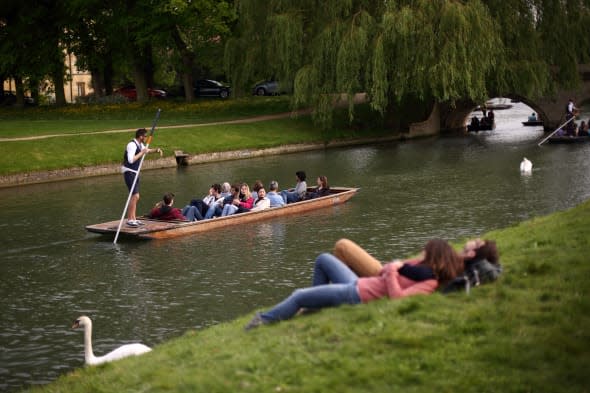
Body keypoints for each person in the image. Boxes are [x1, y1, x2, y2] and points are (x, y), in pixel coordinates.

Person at [244, 239, 463, 330]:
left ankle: (264, 320)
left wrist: (392, 272)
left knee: (299, 294)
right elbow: (394, 266)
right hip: (362, 283)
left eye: (426, 251)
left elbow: (397, 297)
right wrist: (393, 269)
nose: (422, 253)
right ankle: (315, 306)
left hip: (357, 294)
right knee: (323, 259)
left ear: (434, 257)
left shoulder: (429, 281)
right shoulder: (420, 267)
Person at [332, 238, 497, 278]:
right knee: (343, 258)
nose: (472, 240)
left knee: (342, 246)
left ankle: (336, 294)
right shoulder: (452, 259)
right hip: (391, 269)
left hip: (385, 273)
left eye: (475, 242)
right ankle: (338, 293)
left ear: (472, 253)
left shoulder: (451, 262)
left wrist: (396, 266)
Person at [121, 128, 163, 227]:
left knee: (134, 196)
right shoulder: (131, 145)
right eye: (145, 136)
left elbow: (146, 150)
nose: (146, 138)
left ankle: (133, 219)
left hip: (135, 172)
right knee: (135, 196)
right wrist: (142, 152)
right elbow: (131, 160)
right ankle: (130, 220)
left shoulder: (139, 144)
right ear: (140, 136)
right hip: (129, 171)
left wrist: (156, 150)